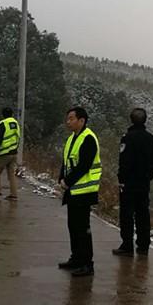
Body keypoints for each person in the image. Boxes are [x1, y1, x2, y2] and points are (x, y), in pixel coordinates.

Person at [58, 106, 102, 277]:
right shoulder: (72, 138)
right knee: (73, 226)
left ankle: (87, 263)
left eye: (71, 118)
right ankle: (76, 258)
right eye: (67, 119)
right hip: (73, 191)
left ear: (81, 120)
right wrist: (61, 178)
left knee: (83, 228)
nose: (68, 122)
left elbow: (84, 165)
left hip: (84, 191)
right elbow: (66, 161)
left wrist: (67, 181)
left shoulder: (88, 138)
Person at [113, 108, 153, 256]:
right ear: (145, 120)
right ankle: (143, 246)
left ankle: (127, 246)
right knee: (143, 214)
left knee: (127, 215)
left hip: (128, 184)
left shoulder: (127, 138)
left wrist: (121, 179)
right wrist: (148, 174)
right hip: (144, 183)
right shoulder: (152, 140)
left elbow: (124, 162)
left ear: (131, 119)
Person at [0, 107, 20, 201]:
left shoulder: (3, 124)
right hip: (14, 152)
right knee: (11, 174)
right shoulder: (15, 123)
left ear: (3, 115)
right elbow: (18, 137)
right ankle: (13, 194)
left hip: (4, 153)